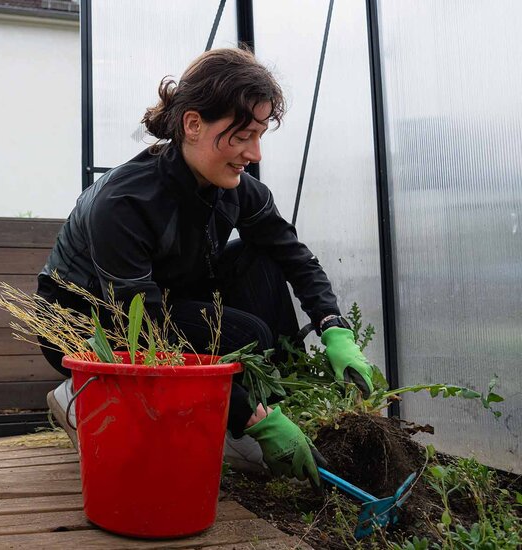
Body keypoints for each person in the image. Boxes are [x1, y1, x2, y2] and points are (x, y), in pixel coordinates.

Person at [35, 48, 375, 487]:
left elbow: (294, 256)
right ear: (193, 124)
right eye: (242, 136)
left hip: (165, 302)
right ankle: (84, 398)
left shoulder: (236, 188)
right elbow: (146, 328)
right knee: (247, 335)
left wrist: (334, 328)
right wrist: (250, 417)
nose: (253, 152)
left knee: (264, 258)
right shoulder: (125, 203)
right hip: (87, 324)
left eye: (260, 135)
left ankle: (270, 402)